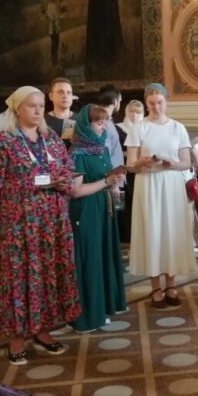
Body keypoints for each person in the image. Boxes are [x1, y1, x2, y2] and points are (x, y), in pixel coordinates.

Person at [0, 86, 80, 366]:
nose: (38, 110)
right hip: (21, 222)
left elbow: (67, 168)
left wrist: (64, 181)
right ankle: (16, 339)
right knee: (19, 277)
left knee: (47, 274)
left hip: (53, 220)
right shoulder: (3, 142)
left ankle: (42, 330)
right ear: (17, 108)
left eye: (41, 105)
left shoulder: (51, 138)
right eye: (32, 106)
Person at [125, 83, 196, 309]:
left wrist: (171, 163)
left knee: (170, 231)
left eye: (160, 102)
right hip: (148, 183)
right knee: (153, 231)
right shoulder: (139, 128)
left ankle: (171, 285)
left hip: (172, 182)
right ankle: (155, 286)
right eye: (152, 103)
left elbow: (186, 162)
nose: (156, 107)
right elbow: (130, 165)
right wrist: (142, 161)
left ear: (166, 101)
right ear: (146, 103)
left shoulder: (177, 127)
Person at [68, 104, 128, 332]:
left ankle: (102, 307)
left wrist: (113, 181)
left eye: (105, 123)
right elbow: (75, 191)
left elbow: (104, 175)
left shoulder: (100, 148)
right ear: (86, 124)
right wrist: (106, 182)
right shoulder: (77, 152)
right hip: (87, 210)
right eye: (99, 123)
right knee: (90, 259)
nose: (103, 128)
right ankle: (87, 316)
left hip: (104, 208)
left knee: (103, 256)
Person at [116, 99, 144, 244]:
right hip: (124, 169)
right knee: (125, 203)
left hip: (141, 169)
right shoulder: (118, 128)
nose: (134, 115)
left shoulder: (145, 128)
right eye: (132, 112)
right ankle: (125, 236)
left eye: (138, 112)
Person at [45, 77, 76, 141]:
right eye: (61, 92)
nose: (65, 96)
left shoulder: (81, 120)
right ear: (51, 96)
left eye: (69, 92)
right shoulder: (42, 122)